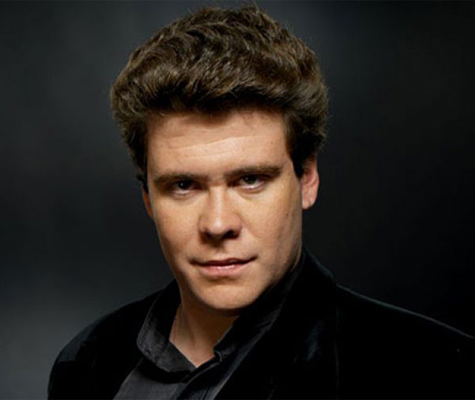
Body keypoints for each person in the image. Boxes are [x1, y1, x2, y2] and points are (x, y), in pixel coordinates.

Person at [48, 5, 474, 399]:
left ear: (307, 179)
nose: (218, 224)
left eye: (250, 180)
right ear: (147, 199)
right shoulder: (87, 362)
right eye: (183, 185)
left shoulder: (433, 371)